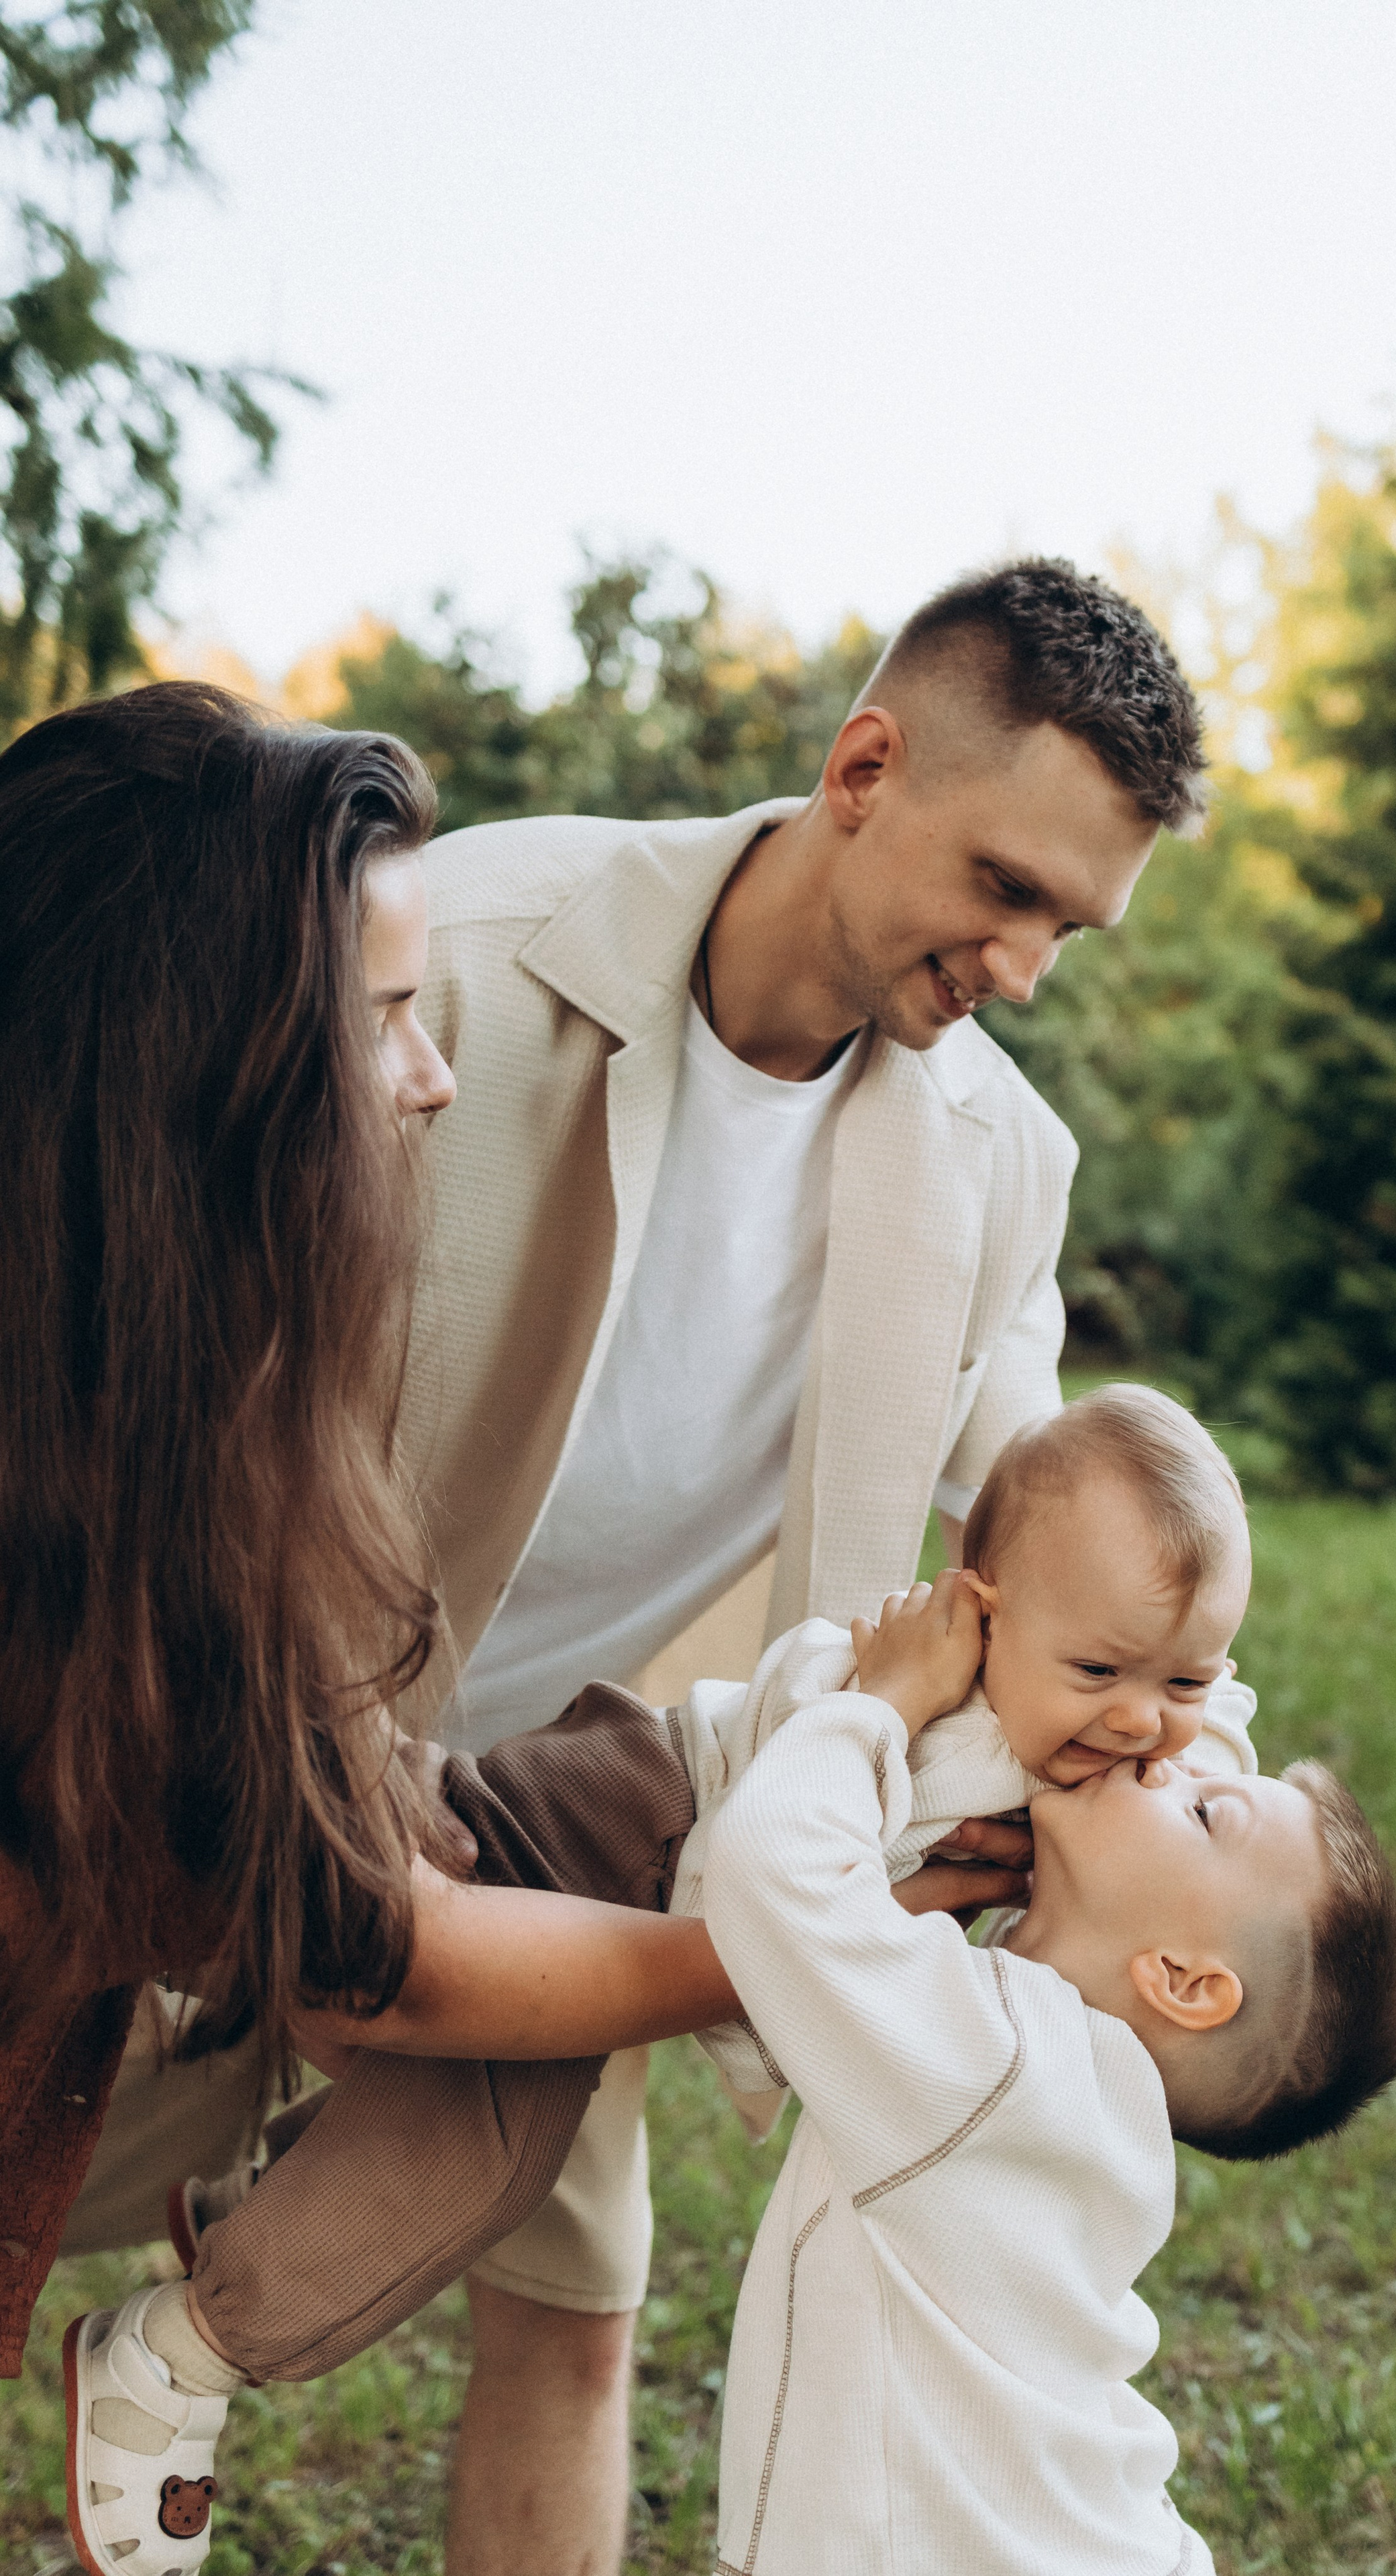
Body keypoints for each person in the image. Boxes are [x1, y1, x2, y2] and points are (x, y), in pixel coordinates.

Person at [70, 557, 1210, 2576]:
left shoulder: (998, 1166)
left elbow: (1031, 1521)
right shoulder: (461, 964)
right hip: (233, 1709)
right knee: (45, 2126)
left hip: (586, 1784)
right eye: (1008, 890)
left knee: (581, 2318)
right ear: (865, 765)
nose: (1027, 968)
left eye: (1077, 928)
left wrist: (1161, 1708)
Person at [90, 1385, 1396, 2573]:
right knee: (472, 2112)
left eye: (1187, 1719)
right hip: (620, 1832)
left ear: (1181, 1979)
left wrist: (1141, 1687)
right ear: (982, 1604)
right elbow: (782, 1868)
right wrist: (887, 1700)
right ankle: (187, 2337)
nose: (1158, 1737)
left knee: (480, 2110)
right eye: (1116, 1681)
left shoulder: (1003, 2046)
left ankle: (241, 2125)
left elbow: (1164, 1693)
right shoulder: (980, 1778)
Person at [0, 683, 750, 2435]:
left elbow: (326, 1878)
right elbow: (370, 1954)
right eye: (388, 1019)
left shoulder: (126, 1406)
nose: (431, 1079)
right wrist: (780, 1959)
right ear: (204, 1069)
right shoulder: (132, 1482)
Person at [705, 1586, 1396, 2572]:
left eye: (1203, 1808)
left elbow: (770, 1866)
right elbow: (1210, 1750)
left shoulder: (993, 2065)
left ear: (1179, 1980)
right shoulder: (1075, 2080)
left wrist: (887, 1702)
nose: (1160, 1760)